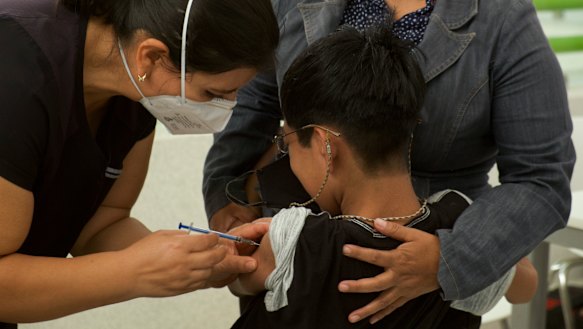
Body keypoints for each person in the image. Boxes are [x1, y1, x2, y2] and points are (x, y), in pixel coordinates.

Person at [203, 0, 575, 324]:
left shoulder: (503, 20)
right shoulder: (285, 242)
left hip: (437, 249)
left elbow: (541, 176)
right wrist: (227, 195)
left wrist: (452, 261)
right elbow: (250, 103)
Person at [0, 0, 278, 327]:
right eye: (213, 93)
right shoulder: (15, 76)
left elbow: (102, 224)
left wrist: (203, 260)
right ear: (151, 56)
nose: (226, 108)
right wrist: (137, 272)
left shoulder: (139, 94)